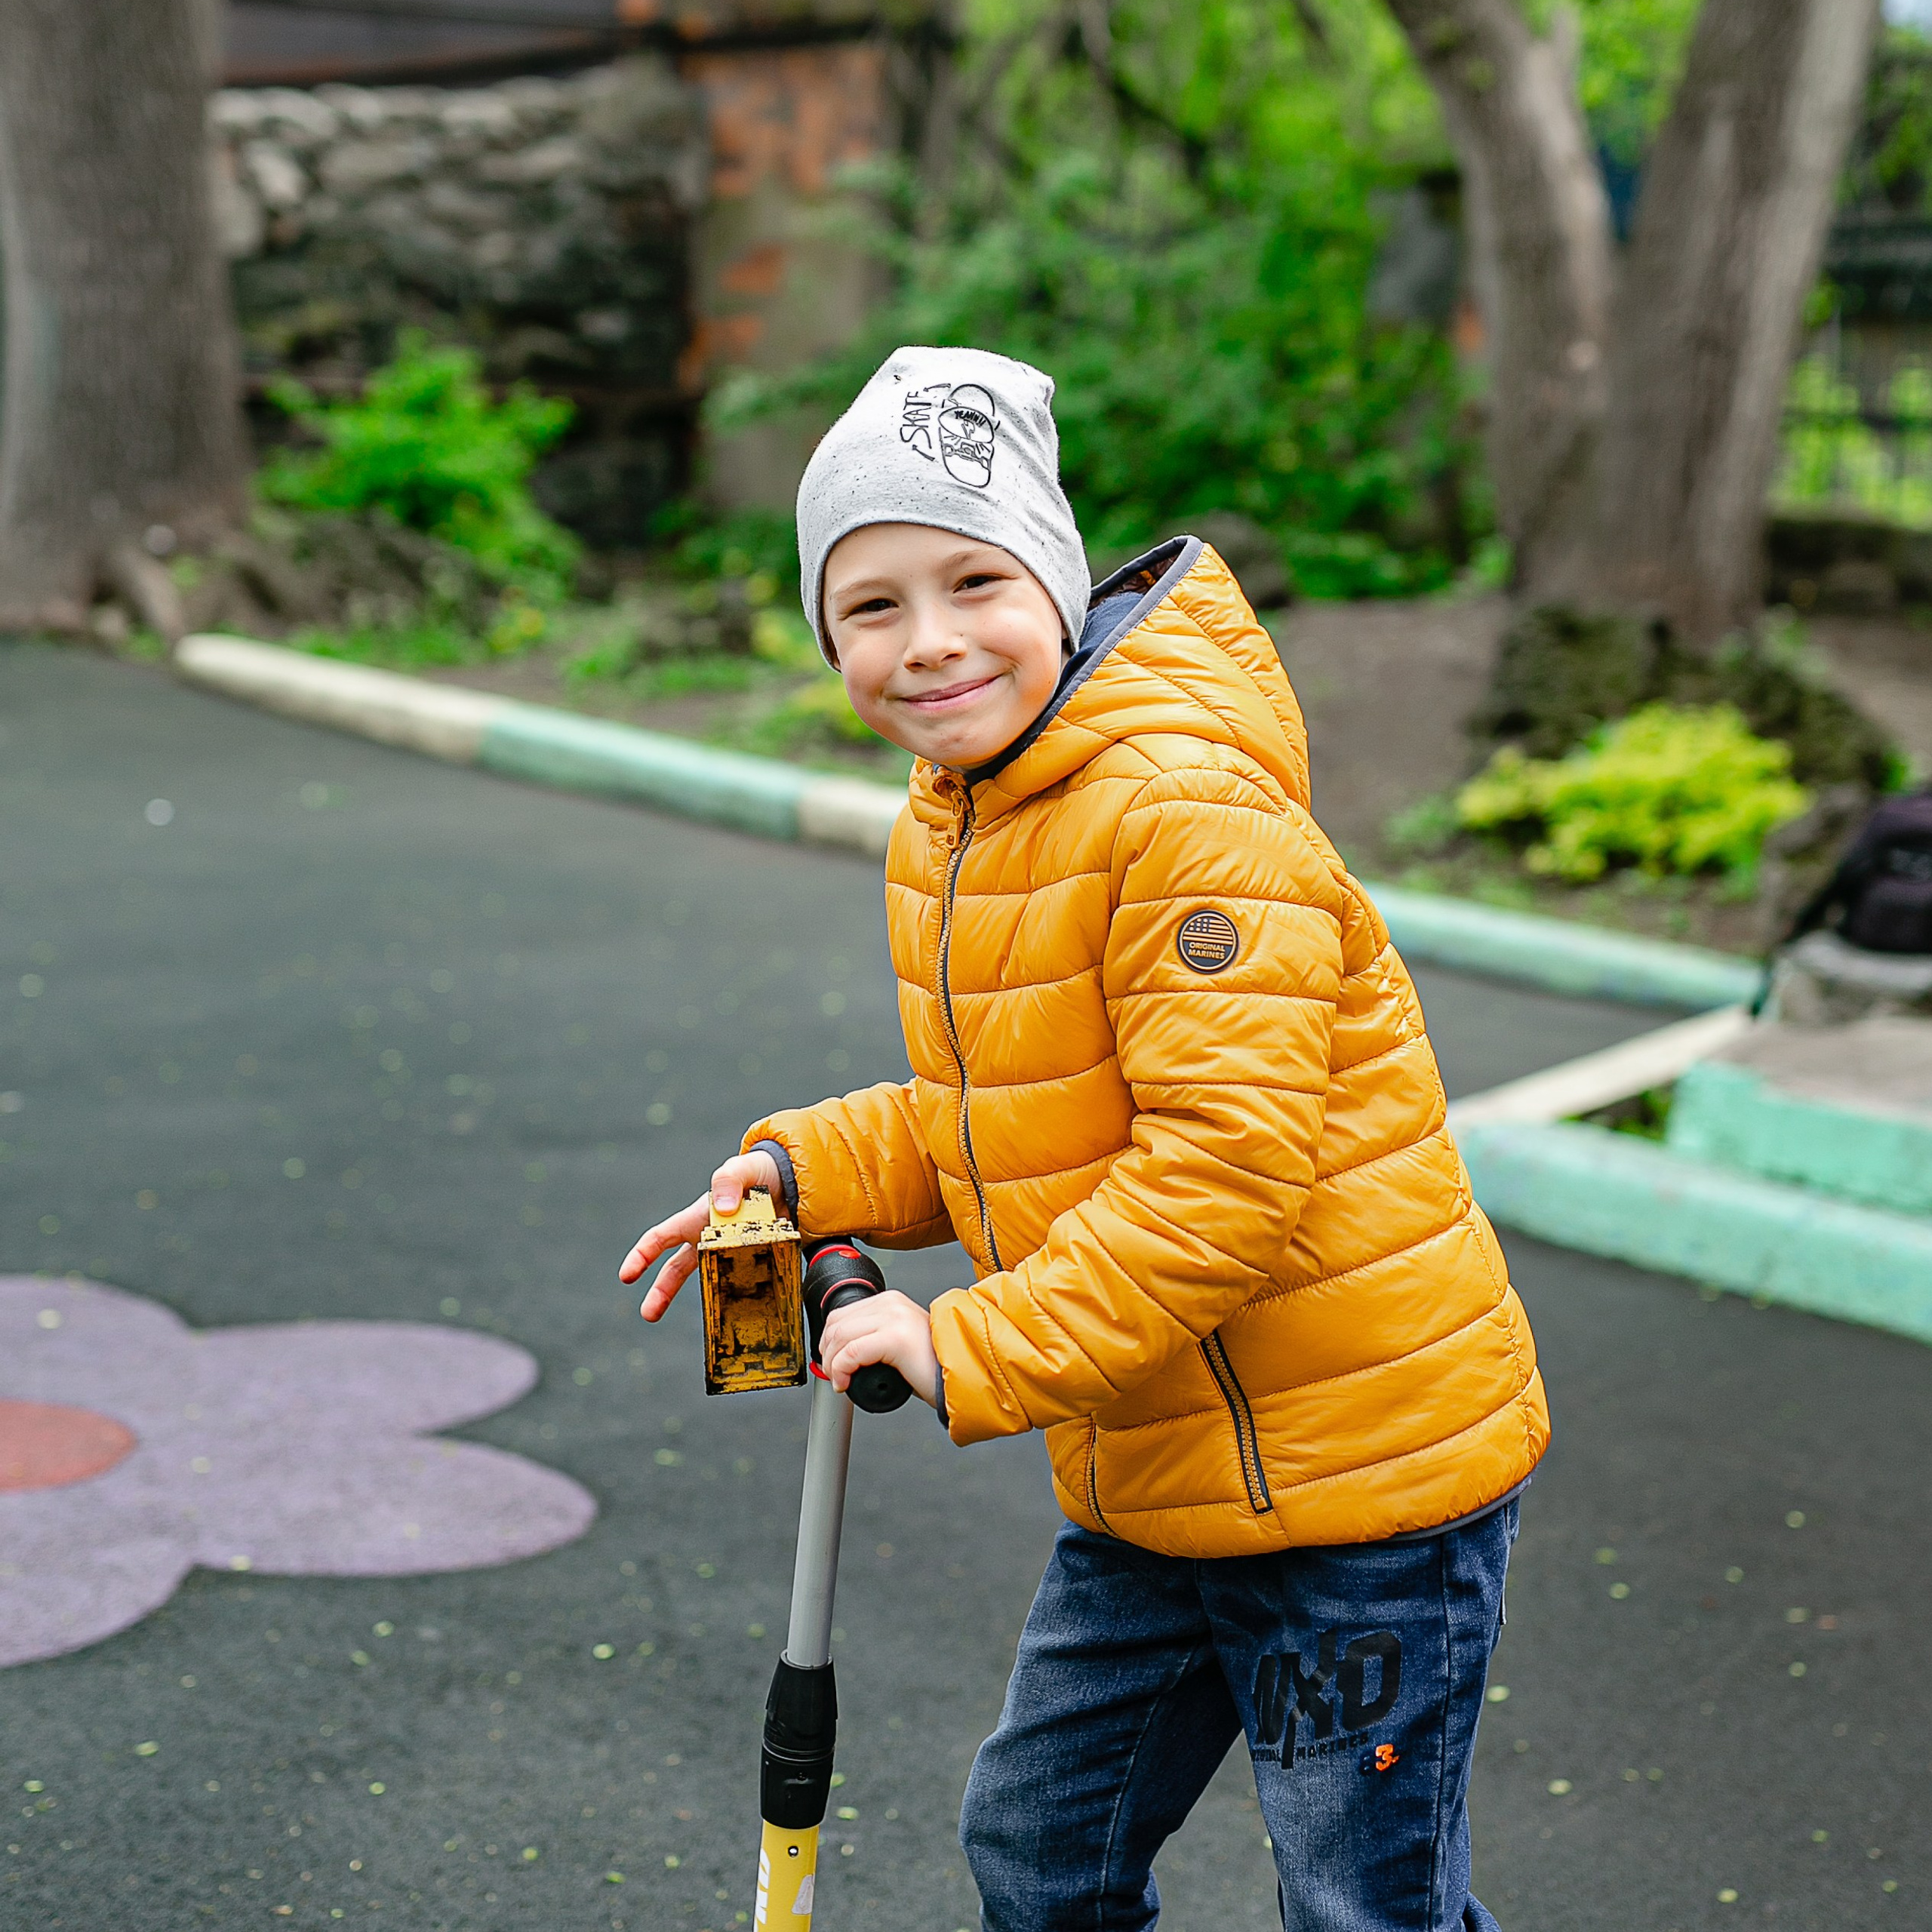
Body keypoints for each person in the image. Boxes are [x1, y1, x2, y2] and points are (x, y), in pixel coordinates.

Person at [620, 345, 1549, 1932]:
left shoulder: (1183, 816)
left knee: (1358, 1897)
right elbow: (1000, 1122)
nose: (927, 642)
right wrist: (801, 1168)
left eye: (971, 579)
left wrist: (958, 1341)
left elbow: (1217, 1181)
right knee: (1040, 1848)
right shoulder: (961, 814)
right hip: (1156, 1475)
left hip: (1359, 1490)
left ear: (1051, 578)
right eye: (870, 604)